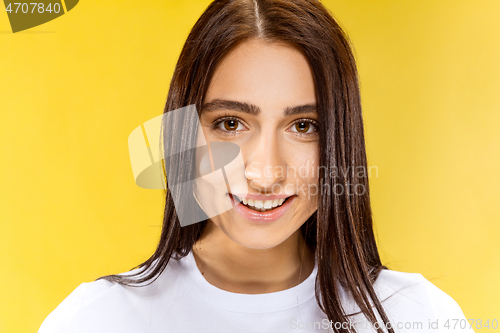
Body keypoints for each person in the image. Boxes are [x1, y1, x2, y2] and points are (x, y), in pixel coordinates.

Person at [38, 0, 473, 332]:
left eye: (303, 126)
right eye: (230, 123)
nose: (264, 174)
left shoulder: (415, 317)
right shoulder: (98, 320)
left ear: (341, 138)